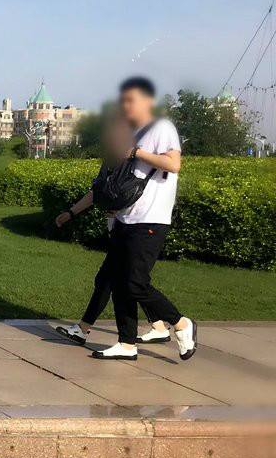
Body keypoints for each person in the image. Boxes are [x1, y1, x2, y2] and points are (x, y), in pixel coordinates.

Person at [54, 77, 196, 361]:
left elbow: (173, 163)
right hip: (125, 220)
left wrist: (135, 153)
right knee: (118, 283)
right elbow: (109, 185)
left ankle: (180, 323)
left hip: (151, 219)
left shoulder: (161, 127)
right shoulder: (132, 133)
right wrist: (73, 211)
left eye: (132, 100)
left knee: (135, 283)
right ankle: (127, 343)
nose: (126, 106)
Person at [54, 110, 170, 346]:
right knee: (123, 281)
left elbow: (139, 192)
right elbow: (98, 192)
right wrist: (72, 212)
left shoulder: (137, 159)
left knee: (120, 281)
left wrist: (119, 209)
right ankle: (157, 326)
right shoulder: (112, 160)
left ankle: (178, 324)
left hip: (135, 228)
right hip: (120, 228)